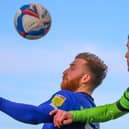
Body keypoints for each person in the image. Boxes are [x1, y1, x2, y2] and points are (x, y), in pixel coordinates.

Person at [0, 52, 108, 129]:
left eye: (72, 68)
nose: (65, 71)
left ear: (85, 78)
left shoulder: (68, 98)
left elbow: (35, 115)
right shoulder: (94, 115)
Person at [49, 36, 129, 128]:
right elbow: (110, 111)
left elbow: (38, 114)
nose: (125, 55)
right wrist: (73, 115)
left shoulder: (66, 97)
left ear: (85, 78)